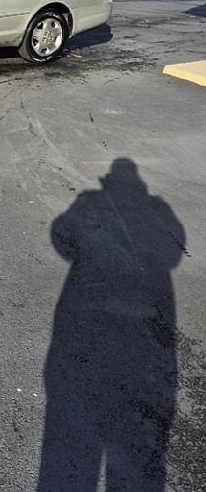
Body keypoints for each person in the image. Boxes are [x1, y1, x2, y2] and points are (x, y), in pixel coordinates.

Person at [37, 159, 185, 492]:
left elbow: (61, 236)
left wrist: (86, 247)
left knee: (74, 443)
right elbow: (174, 253)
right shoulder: (157, 207)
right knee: (136, 451)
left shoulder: (91, 199)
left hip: (88, 310)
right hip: (143, 330)